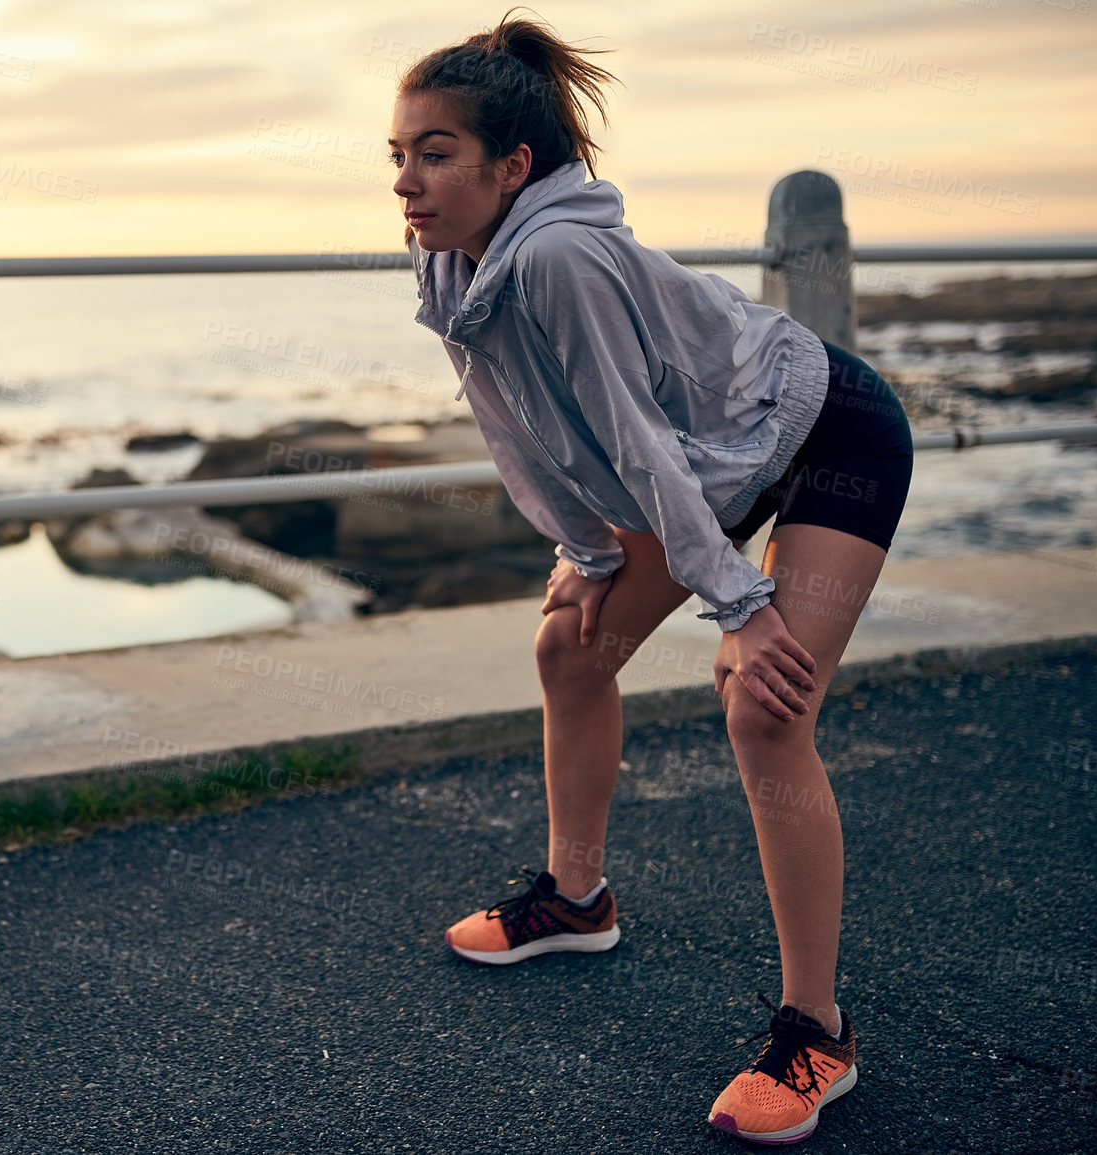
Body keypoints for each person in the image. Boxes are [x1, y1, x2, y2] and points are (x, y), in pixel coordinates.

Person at [389, 12, 913, 1146]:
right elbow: (515, 421)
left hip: (827, 432)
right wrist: (584, 553)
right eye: (398, 154)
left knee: (764, 708)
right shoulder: (448, 255)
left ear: (512, 166)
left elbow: (632, 437)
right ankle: (577, 901)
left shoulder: (564, 255)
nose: (407, 180)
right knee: (567, 647)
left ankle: (817, 1033)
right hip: (713, 459)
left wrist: (742, 606)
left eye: (434, 153)